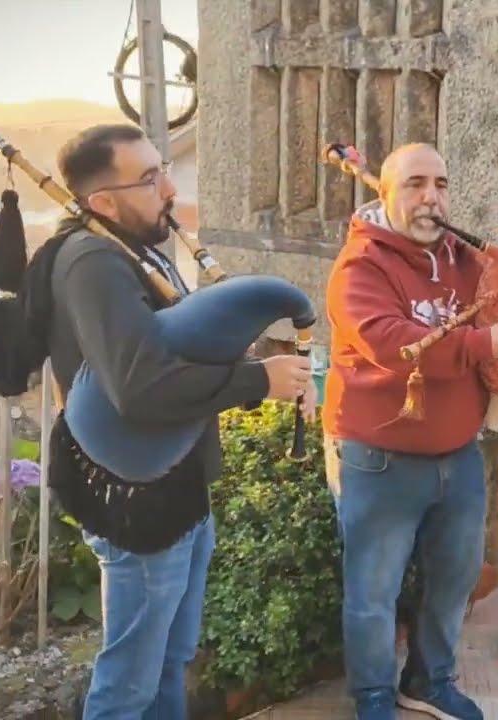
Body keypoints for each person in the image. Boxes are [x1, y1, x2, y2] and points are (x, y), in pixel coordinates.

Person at [44, 125, 314, 718]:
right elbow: (140, 386)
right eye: (148, 178)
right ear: (102, 203)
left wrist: (255, 360)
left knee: (170, 658)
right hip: (139, 499)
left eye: (161, 169)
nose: (168, 186)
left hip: (178, 485)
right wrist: (256, 383)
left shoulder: (137, 246)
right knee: (129, 682)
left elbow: (177, 349)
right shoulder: (92, 262)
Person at [322, 142, 498, 720]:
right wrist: (485, 342)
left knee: (453, 579)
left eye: (442, 184)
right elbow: (389, 343)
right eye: (415, 183)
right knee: (374, 593)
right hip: (378, 456)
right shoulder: (360, 267)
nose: (432, 197)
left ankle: (427, 680)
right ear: (385, 192)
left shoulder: (462, 257)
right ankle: (373, 697)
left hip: (457, 453)